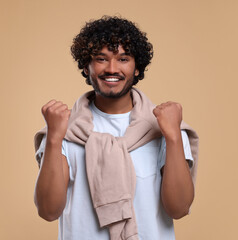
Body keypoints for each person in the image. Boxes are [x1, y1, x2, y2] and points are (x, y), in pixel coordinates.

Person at [34, 16, 199, 240]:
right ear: (86, 66)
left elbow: (179, 209)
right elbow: (48, 210)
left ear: (137, 68)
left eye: (123, 59)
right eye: (101, 59)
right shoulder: (64, 130)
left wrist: (173, 138)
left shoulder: (164, 128)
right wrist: (53, 138)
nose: (112, 69)